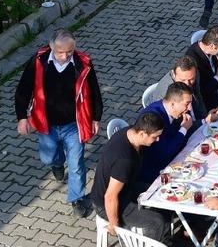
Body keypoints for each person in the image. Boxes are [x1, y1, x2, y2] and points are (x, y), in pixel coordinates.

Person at [15, 29, 103, 217]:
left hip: (74, 124)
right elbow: (23, 89)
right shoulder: (39, 62)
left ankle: (76, 199)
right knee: (47, 157)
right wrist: (21, 117)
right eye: (60, 52)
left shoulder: (83, 64)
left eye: (69, 52)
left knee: (76, 164)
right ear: (52, 47)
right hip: (47, 124)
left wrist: (96, 118)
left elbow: (94, 91)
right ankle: (56, 163)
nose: (64, 56)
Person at [91, 112, 169, 242]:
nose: (158, 140)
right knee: (156, 223)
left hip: (126, 189)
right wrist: (114, 224)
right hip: (108, 204)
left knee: (162, 194)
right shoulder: (125, 160)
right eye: (155, 137)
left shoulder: (129, 132)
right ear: (142, 133)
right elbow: (110, 196)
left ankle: (165, 239)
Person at [139, 82, 200, 184]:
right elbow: (165, 153)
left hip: (172, 160)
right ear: (172, 103)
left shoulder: (175, 110)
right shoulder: (155, 119)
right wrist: (184, 129)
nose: (189, 108)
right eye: (187, 103)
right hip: (155, 171)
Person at [154, 55, 217, 120]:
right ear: (174, 74)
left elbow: (198, 96)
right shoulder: (166, 93)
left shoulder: (193, 74)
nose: (187, 84)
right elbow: (177, 123)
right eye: (182, 80)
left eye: (191, 79)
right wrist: (204, 121)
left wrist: (205, 116)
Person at [185, 26, 218, 111]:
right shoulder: (193, 61)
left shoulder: (209, 51)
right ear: (212, 46)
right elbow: (201, 93)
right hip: (211, 106)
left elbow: (215, 69)